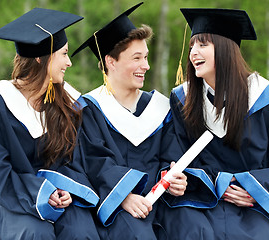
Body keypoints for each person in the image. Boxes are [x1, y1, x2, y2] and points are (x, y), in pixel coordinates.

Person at [158, 8, 269, 239]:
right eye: (191, 47)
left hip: (254, 203)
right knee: (187, 228)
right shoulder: (183, 100)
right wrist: (178, 178)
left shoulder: (268, 100)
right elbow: (174, 155)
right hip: (201, 200)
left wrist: (256, 190)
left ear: (226, 49)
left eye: (202, 45)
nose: (193, 53)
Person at [0, 8, 100, 240]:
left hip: (56, 192)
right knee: (33, 232)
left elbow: (74, 160)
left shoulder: (66, 103)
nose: (69, 62)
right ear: (42, 58)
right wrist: (40, 191)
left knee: (80, 231)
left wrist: (66, 189)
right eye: (63, 54)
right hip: (6, 194)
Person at [71, 2, 187, 239]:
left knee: (194, 227)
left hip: (162, 202)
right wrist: (122, 195)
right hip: (114, 207)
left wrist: (174, 176)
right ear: (111, 62)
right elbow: (94, 162)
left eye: (145, 57)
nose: (146, 66)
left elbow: (172, 155)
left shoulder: (161, 108)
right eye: (137, 58)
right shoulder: (88, 109)